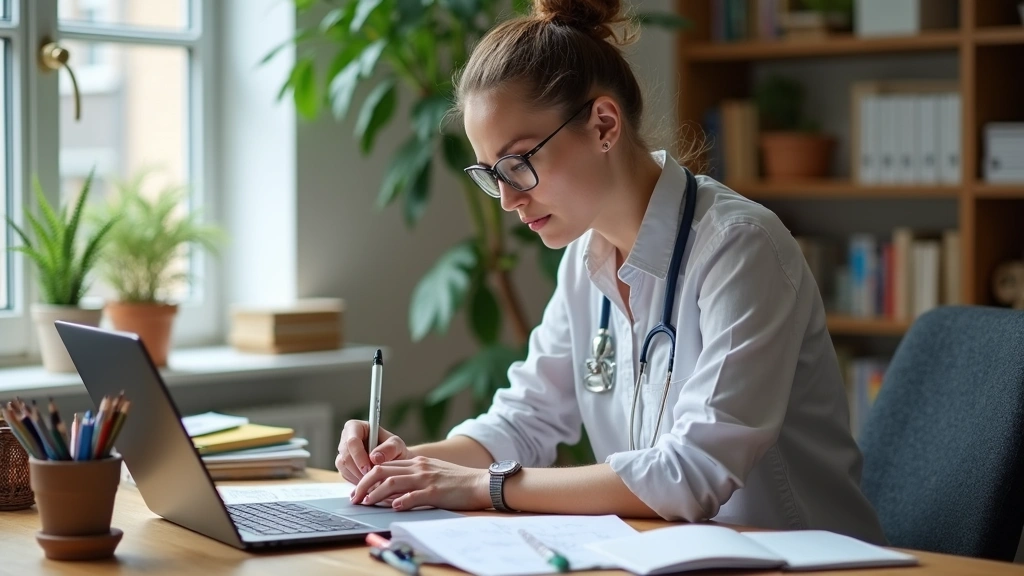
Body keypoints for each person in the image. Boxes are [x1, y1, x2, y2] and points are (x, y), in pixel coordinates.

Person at [338, 0, 886, 544]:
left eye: (519, 163)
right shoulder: (585, 260)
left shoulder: (740, 248)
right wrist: (402, 463)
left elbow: (690, 473)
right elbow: (523, 420)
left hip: (799, 559)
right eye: (491, 173)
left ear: (603, 124)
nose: (507, 200)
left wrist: (485, 485)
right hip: (667, 556)